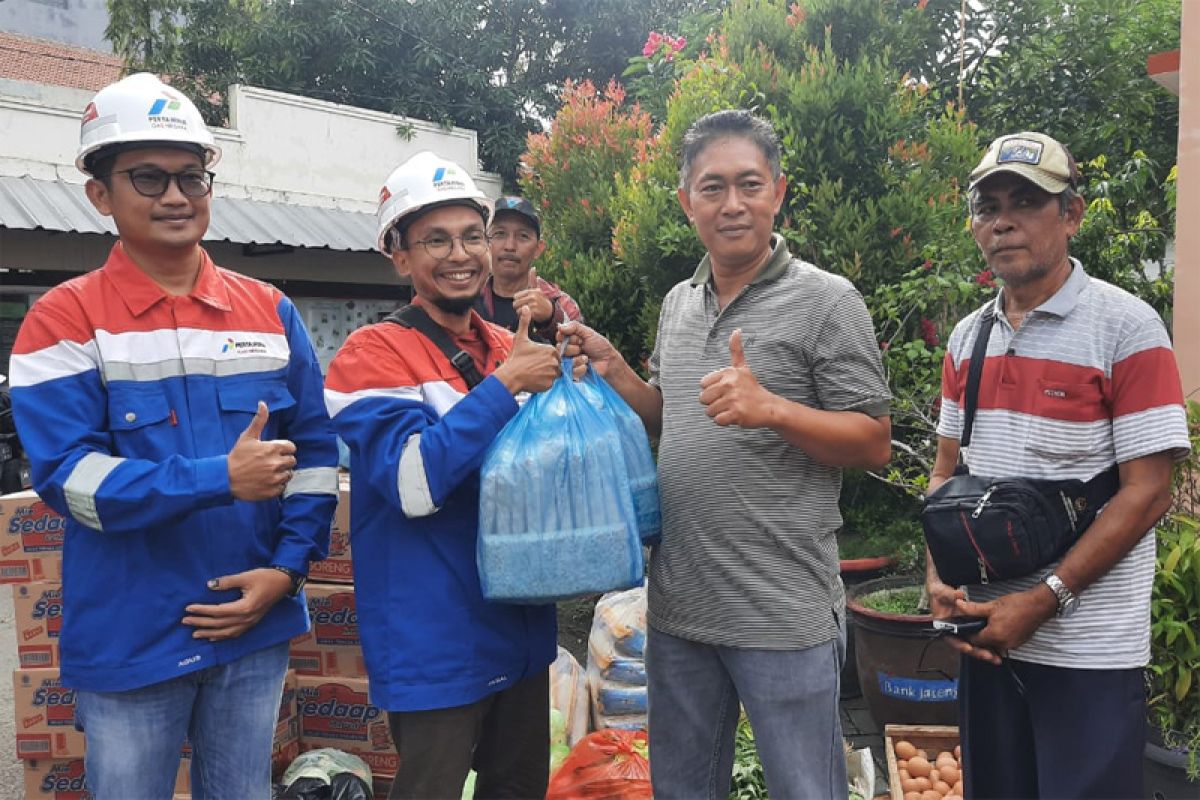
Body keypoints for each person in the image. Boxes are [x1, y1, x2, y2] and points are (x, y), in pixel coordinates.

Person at [7, 73, 339, 799]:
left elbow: (316, 456)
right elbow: (71, 482)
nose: (175, 196)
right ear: (101, 193)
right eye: (148, 177)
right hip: (134, 636)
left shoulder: (271, 312)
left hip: (254, 624)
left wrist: (286, 572)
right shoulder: (62, 323)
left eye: (192, 176)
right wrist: (218, 476)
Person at [560, 110, 892, 798]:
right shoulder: (679, 304)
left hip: (782, 609)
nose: (732, 204)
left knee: (806, 787)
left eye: (749, 184)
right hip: (679, 609)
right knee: (682, 788)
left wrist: (770, 407)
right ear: (687, 203)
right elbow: (672, 415)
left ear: (779, 191)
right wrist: (617, 370)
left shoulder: (828, 301)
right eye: (712, 187)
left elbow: (873, 441)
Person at [925, 131, 1190, 799]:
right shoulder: (968, 338)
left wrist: (1045, 602)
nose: (1004, 221)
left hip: (1089, 655)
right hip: (990, 641)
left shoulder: (1125, 329)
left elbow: (1149, 492)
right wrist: (938, 573)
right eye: (989, 207)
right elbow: (945, 470)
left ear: (1070, 215)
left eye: (1027, 202)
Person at [323, 151, 562, 799]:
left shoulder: (508, 342)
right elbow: (412, 485)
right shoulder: (369, 356)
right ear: (400, 256)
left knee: (516, 791)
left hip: (520, 630)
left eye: (472, 236)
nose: (461, 254)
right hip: (436, 644)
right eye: (436, 240)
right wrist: (505, 386)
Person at [475, 195, 583, 343]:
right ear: (486, 241)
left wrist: (550, 317)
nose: (510, 246)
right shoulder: (468, 299)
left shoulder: (561, 303)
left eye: (523, 236)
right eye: (499, 234)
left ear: (539, 248)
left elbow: (581, 353)